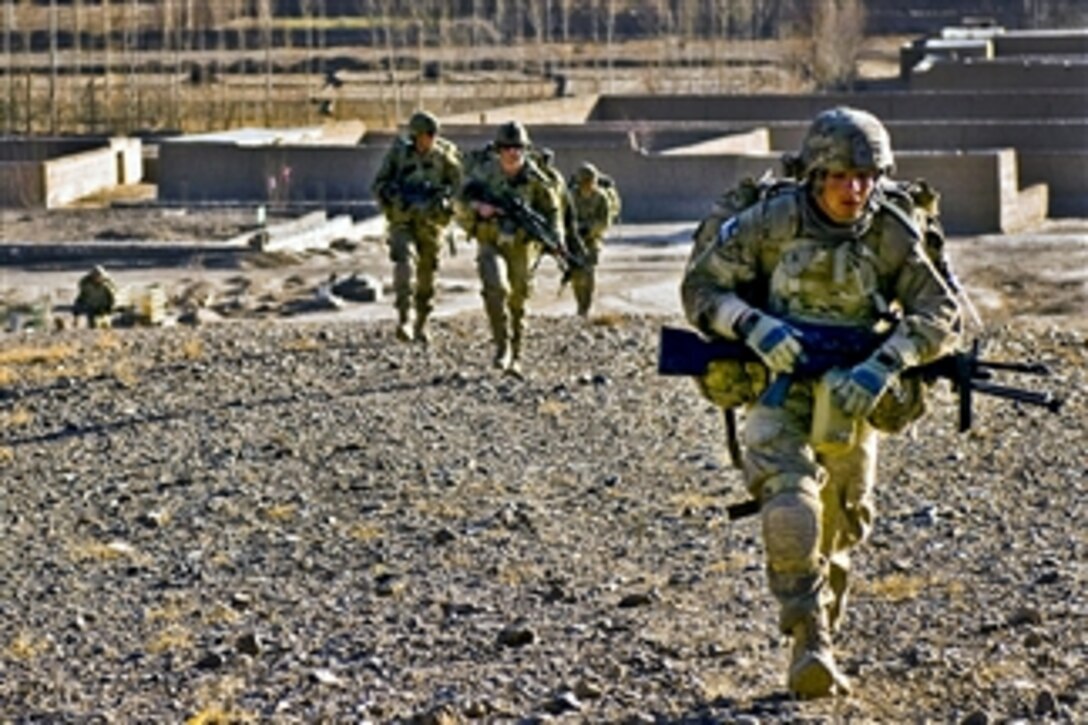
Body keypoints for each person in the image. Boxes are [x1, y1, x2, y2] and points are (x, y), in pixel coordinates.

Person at [680, 107, 962, 698]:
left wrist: (885, 363)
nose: (853, 189)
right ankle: (808, 640)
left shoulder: (889, 232)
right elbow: (702, 287)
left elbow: (943, 313)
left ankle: (822, 632)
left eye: (866, 177)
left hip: (852, 394)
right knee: (791, 509)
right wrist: (750, 323)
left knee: (840, 526)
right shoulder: (771, 223)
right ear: (814, 175)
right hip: (777, 388)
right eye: (839, 175)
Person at [457, 120, 563, 378]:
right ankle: (501, 347)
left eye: (518, 147)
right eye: (507, 147)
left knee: (518, 300)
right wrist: (477, 209)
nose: (513, 152)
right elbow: (460, 201)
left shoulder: (535, 178)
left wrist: (557, 241)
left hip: (521, 245)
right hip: (490, 241)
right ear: (498, 149)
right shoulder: (484, 173)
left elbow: (552, 211)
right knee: (495, 287)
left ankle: (516, 354)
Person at [372, 110, 463, 344]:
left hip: (432, 225)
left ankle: (422, 323)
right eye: (426, 134)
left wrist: (446, 200)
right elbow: (378, 185)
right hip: (403, 221)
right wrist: (391, 198)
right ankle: (404, 318)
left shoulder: (445, 156)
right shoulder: (399, 155)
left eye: (433, 134)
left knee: (427, 277)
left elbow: (461, 186)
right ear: (415, 135)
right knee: (404, 263)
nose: (430, 139)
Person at [567, 162, 616, 317]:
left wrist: (589, 229)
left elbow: (605, 222)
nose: (587, 186)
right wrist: (574, 230)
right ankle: (580, 302)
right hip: (574, 238)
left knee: (589, 271)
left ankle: (585, 306)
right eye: (584, 182)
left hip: (592, 238)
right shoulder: (571, 197)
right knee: (575, 273)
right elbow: (565, 218)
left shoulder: (601, 197)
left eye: (590, 182)